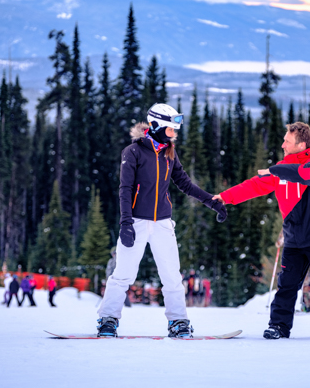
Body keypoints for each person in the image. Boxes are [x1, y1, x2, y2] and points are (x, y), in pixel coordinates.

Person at [96, 103, 227, 338]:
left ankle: (178, 321)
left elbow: (184, 183)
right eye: (170, 130)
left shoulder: (169, 152)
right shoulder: (133, 152)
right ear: (156, 126)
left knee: (171, 275)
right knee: (123, 274)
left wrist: (211, 201)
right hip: (135, 221)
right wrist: (125, 223)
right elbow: (125, 189)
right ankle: (108, 319)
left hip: (163, 223)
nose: (173, 134)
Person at [214, 121, 310, 339]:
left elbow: (305, 174)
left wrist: (275, 170)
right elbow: (254, 185)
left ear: (301, 144)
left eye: (287, 141)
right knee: (286, 285)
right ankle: (278, 326)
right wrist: (225, 197)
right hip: (295, 238)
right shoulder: (282, 169)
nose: (282, 145)